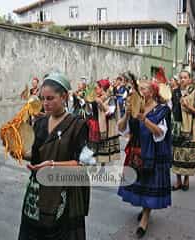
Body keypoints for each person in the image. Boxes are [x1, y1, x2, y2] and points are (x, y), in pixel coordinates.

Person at [18, 72, 90, 240]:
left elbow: (83, 163)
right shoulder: (41, 123)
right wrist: (21, 153)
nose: (45, 103)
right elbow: (36, 157)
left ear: (64, 96)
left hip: (64, 192)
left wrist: (52, 165)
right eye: (43, 99)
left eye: (50, 98)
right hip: (38, 191)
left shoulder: (78, 125)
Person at [118, 80, 172, 239]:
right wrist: (127, 114)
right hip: (136, 151)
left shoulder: (162, 110)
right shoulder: (134, 107)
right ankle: (144, 208)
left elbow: (160, 133)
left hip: (152, 153)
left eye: (144, 88)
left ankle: (145, 219)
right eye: (139, 88)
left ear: (153, 92)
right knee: (140, 183)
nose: (140, 91)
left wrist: (144, 119)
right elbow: (121, 129)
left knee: (149, 183)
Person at [172, 70, 195, 191]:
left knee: (188, 154)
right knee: (177, 154)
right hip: (177, 126)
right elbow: (171, 107)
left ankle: (186, 180)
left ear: (190, 79)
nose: (183, 80)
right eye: (181, 78)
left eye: (185, 77)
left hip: (190, 127)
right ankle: (178, 181)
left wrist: (189, 107)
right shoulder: (175, 92)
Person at [86, 79, 121, 165]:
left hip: (107, 125)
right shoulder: (94, 98)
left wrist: (101, 103)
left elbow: (110, 112)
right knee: (95, 146)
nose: (95, 90)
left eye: (97, 88)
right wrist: (87, 103)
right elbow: (89, 111)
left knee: (104, 146)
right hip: (96, 124)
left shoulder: (111, 98)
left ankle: (103, 165)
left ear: (102, 88)